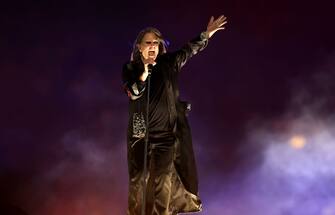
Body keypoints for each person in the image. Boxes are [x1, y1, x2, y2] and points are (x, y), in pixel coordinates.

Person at [122, 15, 227, 215]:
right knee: (139, 181)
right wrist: (144, 71)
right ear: (139, 47)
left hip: (165, 136)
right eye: (148, 43)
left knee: (163, 181)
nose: (152, 46)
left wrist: (207, 34)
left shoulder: (170, 62)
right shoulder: (130, 68)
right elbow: (134, 92)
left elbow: (190, 49)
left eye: (155, 42)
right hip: (140, 137)